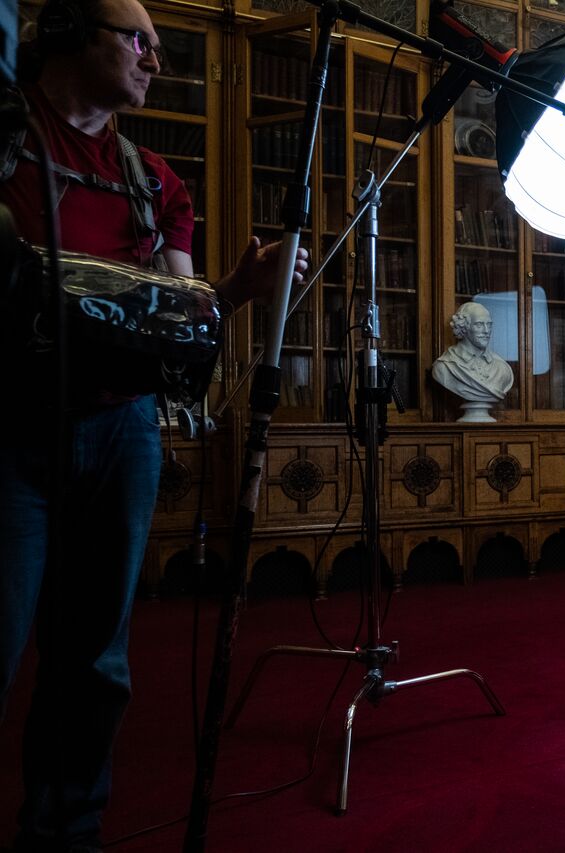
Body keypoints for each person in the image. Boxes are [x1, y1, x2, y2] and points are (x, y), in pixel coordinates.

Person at [0, 1, 308, 850]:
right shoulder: (6, 135)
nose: (155, 60)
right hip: (11, 434)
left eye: (163, 48)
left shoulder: (156, 182)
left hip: (120, 433)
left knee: (94, 664)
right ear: (70, 29)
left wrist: (236, 293)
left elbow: (175, 316)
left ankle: (66, 834)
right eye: (140, 40)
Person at [431, 300, 514, 404]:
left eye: (489, 325)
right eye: (479, 325)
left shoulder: (503, 369)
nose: (486, 330)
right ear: (464, 327)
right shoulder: (444, 367)